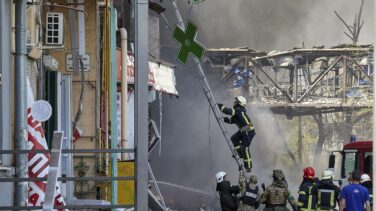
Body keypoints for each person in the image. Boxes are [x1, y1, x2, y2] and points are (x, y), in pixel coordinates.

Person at [218, 96, 256, 172]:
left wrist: (220, 106)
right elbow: (231, 121)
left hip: (248, 130)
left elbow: (227, 111)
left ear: (239, 103)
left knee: (245, 148)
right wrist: (224, 119)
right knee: (234, 138)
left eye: (236, 101)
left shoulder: (238, 110)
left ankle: (248, 166)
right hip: (243, 130)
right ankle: (240, 153)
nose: (234, 102)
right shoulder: (237, 112)